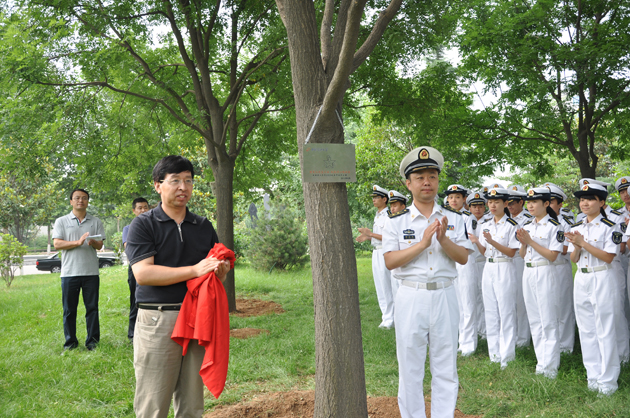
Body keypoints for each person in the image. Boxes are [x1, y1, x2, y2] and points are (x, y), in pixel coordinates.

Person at [126, 155, 231, 418]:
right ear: (158, 185)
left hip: (198, 318)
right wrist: (194, 270)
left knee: (192, 403)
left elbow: (212, 274)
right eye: (175, 181)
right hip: (159, 320)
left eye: (188, 180)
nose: (183, 187)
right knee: (154, 403)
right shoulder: (143, 224)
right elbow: (143, 273)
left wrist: (220, 271)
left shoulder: (203, 226)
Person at [382, 146, 473, 418]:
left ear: (438, 181)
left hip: (445, 295)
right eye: (420, 177)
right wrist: (422, 244)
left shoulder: (454, 218)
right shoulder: (396, 221)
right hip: (411, 296)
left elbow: (463, 258)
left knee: (446, 365)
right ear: (408, 184)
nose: (427, 182)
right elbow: (390, 261)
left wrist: (443, 240)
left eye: (432, 176)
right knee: (410, 367)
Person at [566, 183, 621, 395]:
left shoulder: (610, 226)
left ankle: (608, 382)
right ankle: (593, 377)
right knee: (587, 329)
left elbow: (608, 257)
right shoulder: (577, 226)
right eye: (582, 199)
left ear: (602, 202)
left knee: (605, 330)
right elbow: (573, 259)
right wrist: (577, 246)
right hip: (582, 277)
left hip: (602, 276)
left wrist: (583, 243)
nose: (585, 203)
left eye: (590, 199)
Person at [469, 186, 520, 369]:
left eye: (496, 202)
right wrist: (477, 242)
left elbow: (512, 252)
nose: (492, 205)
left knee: (506, 311)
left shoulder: (512, 225)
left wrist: (492, 242)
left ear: (505, 203)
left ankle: (507, 356)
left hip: (504, 266)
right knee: (490, 311)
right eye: (490, 202)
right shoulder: (486, 224)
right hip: (489, 267)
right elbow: (485, 251)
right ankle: (494, 355)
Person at [518, 187, 564, 378]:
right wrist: (524, 243)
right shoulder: (527, 226)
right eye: (529, 202)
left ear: (546, 204)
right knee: (535, 319)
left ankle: (551, 367)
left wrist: (530, 241)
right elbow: (522, 254)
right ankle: (541, 364)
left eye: (535, 202)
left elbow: (553, 256)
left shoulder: (554, 226)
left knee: (548, 320)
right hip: (528, 271)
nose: (530, 206)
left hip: (545, 271)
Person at [52, 188, 105, 351]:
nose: (80, 200)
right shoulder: (61, 221)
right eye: (77, 198)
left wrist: (93, 242)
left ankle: (92, 342)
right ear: (71, 201)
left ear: (88, 201)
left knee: (92, 309)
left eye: (84, 198)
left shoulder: (95, 221)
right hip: (69, 273)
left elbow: (100, 245)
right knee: (69, 310)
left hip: (91, 273)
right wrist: (77, 242)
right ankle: (70, 343)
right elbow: (57, 244)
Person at [445, 184, 479, 356]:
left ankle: (469, 343)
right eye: (451, 197)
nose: (453, 200)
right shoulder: (446, 217)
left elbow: (468, 241)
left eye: (457, 197)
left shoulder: (468, 217)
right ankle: (460, 341)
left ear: (464, 199)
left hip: (465, 261)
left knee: (467, 303)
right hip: (450, 261)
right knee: (456, 304)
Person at [357, 185, 395, 329]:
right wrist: (367, 237)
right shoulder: (378, 215)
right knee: (379, 285)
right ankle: (385, 316)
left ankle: (391, 318)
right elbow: (378, 237)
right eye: (373, 197)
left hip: (385, 251)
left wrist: (370, 233)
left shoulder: (388, 215)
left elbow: (389, 237)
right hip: (376, 252)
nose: (374, 200)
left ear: (384, 199)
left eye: (376, 197)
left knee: (386, 285)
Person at [544, 182, 575, 353]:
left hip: (560, 266)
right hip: (544, 267)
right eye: (546, 201)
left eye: (551, 202)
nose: (548, 205)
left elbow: (565, 248)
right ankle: (550, 342)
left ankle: (565, 345)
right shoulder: (539, 222)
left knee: (563, 306)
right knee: (547, 306)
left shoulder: (566, 222)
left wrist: (545, 247)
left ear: (560, 204)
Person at [122, 197, 150, 342]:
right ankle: (132, 334)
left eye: (145, 207)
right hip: (135, 268)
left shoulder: (154, 226)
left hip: (153, 269)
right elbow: (129, 248)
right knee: (135, 300)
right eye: (140, 208)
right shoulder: (128, 228)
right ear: (134, 211)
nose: (143, 210)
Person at [507, 185, 532, 348]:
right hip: (507, 261)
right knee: (509, 298)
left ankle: (523, 338)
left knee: (521, 299)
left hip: (520, 259)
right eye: (507, 203)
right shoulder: (505, 218)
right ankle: (512, 334)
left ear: (521, 202)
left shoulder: (528, 219)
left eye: (512, 203)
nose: (509, 206)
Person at [467, 191, 488, 339]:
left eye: (480, 206)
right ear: (469, 207)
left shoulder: (488, 222)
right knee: (471, 297)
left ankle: (484, 330)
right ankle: (474, 328)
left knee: (484, 297)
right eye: (474, 206)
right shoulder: (465, 220)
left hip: (483, 262)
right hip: (469, 263)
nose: (477, 209)